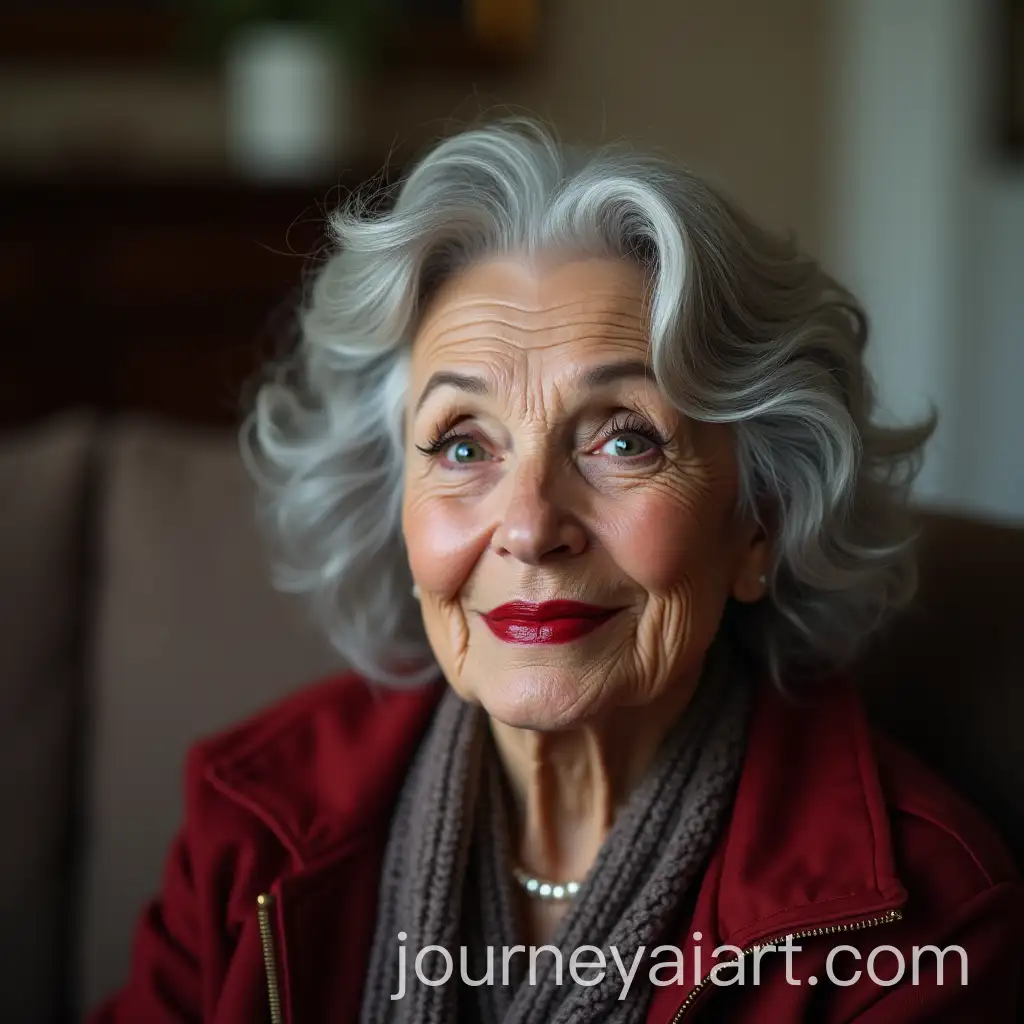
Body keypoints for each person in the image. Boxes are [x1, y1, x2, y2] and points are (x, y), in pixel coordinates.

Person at [90, 120, 1023, 1023]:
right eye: (463, 446)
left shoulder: (928, 920)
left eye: (624, 439)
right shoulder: (253, 826)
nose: (531, 528)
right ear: (394, 504)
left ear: (759, 522)